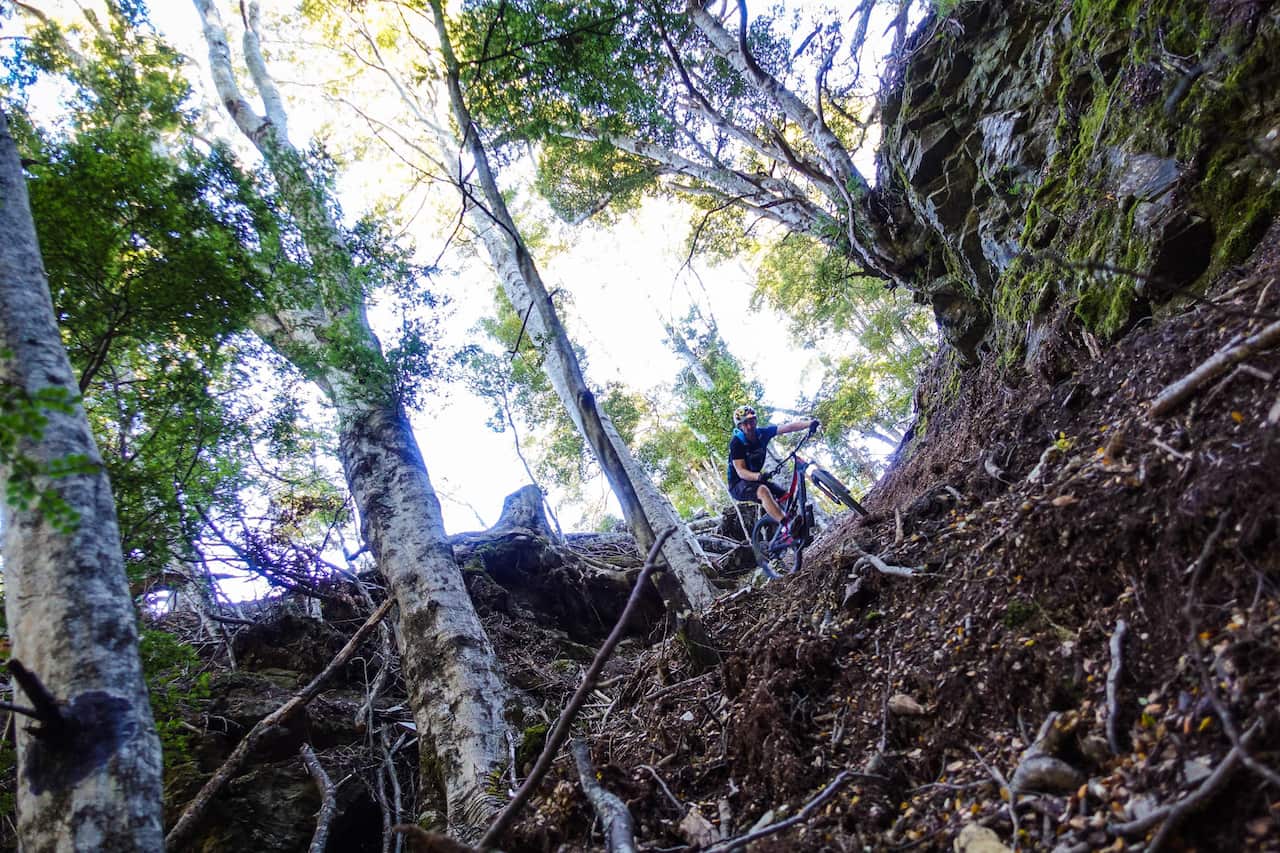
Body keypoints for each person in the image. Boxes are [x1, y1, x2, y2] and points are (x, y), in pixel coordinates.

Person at [727, 404, 819, 543]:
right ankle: (786, 524)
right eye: (745, 424)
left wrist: (809, 424)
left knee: (785, 495)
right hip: (738, 484)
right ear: (740, 426)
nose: (749, 426)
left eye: (751, 421)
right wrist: (758, 476)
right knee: (763, 490)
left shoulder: (762, 433)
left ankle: (797, 534)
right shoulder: (737, 443)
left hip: (756, 480)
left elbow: (788, 427)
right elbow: (741, 471)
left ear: (755, 421)